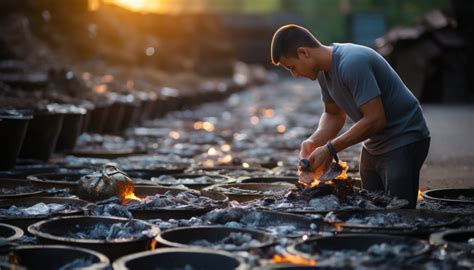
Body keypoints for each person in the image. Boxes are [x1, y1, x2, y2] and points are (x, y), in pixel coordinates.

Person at [270, 24, 430, 208]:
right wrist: (314, 141)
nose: (295, 75)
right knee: (370, 208)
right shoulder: (322, 71)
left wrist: (330, 149)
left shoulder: (352, 62)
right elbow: (333, 114)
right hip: (373, 144)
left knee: (398, 214)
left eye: (292, 67)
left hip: (404, 138)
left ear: (304, 53)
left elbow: (376, 119)